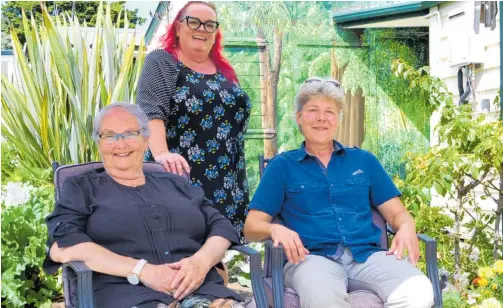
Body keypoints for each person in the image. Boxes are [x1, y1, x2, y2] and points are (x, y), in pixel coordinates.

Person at [243, 78, 435, 308]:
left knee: (418, 290)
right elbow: (251, 227)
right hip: (310, 260)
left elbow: (398, 213)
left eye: (330, 112)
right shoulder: (282, 167)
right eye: (313, 110)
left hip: (367, 257)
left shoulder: (364, 161)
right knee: (323, 299)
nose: (322, 118)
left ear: (338, 120)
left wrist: (406, 226)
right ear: (299, 117)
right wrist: (275, 228)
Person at [43, 103, 246, 308]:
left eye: (130, 134)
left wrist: (201, 262)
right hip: (125, 295)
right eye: (110, 136)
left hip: (200, 290)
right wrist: (142, 270)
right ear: (99, 142)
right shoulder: (81, 188)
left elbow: (221, 226)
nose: (120, 144)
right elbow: (62, 246)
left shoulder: (176, 184)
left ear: (146, 139)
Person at [136, 1, 251, 237]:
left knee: (219, 251)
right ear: (178, 27)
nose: (202, 29)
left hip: (227, 180)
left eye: (209, 25)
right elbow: (151, 112)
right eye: (193, 22)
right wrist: (161, 155)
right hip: (179, 177)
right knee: (182, 249)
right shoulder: (162, 61)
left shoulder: (224, 70)